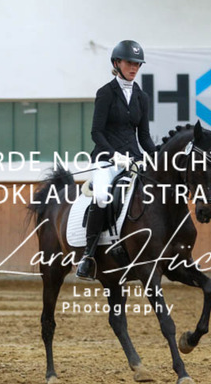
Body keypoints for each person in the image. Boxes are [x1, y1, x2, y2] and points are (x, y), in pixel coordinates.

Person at [76, 40, 158, 280]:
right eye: (130, 63)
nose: (134, 68)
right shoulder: (105, 93)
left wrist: (157, 157)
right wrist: (114, 155)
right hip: (106, 159)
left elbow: (144, 136)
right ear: (116, 63)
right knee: (103, 196)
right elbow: (96, 132)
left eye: (138, 64)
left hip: (133, 160)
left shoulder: (142, 97)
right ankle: (88, 255)